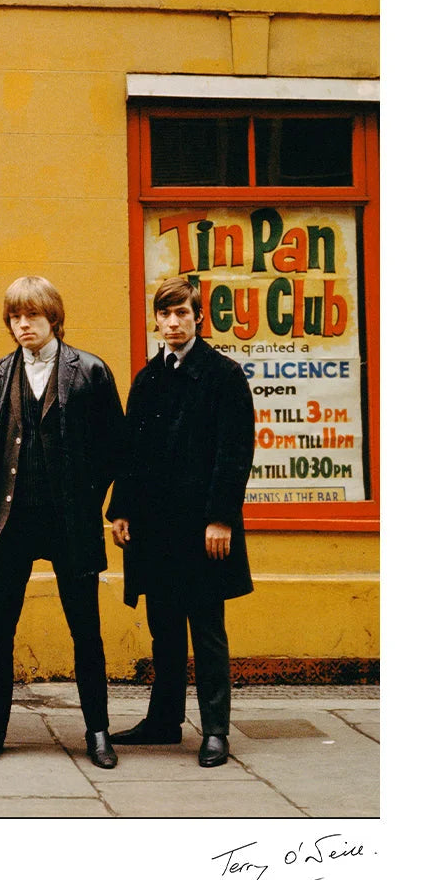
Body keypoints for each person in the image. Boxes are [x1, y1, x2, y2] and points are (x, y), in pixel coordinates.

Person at [0, 276, 126, 768]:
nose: (23, 325)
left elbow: (114, 450)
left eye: (32, 316)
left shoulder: (90, 371)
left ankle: (97, 732)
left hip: (69, 521)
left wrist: (88, 499)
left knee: (86, 629)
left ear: (53, 317)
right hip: (11, 520)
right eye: (15, 317)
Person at [107, 276, 255, 767]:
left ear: (198, 319)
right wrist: (121, 509)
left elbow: (233, 454)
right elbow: (129, 452)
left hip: (202, 529)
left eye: (182, 314)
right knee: (164, 628)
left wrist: (220, 519)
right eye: (165, 314)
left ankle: (215, 730)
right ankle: (164, 720)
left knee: (207, 629)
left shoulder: (224, 376)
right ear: (156, 319)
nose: (173, 323)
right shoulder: (148, 378)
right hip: (156, 530)